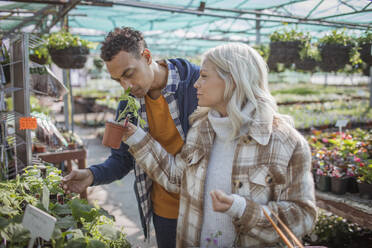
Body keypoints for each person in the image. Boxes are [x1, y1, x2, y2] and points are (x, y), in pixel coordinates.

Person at [121, 43, 317, 247]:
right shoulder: (201, 130)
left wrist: (242, 209)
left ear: (232, 79)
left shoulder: (284, 142)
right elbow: (177, 179)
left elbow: (303, 216)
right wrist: (136, 137)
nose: (196, 84)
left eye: (204, 76)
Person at [61, 27, 200, 248]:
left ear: (146, 56)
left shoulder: (195, 86)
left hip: (202, 208)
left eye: (128, 74)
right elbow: (122, 160)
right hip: (164, 211)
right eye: (118, 80)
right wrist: (91, 175)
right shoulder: (128, 105)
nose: (126, 86)